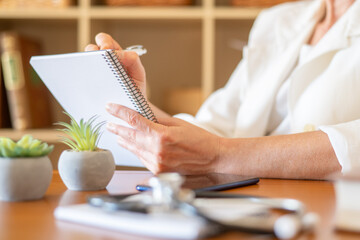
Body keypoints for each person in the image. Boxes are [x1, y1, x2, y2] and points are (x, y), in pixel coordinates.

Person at [85, 0, 360, 179]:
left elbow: (217, 148)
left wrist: (221, 154)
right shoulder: (277, 21)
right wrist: (136, 102)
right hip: (252, 209)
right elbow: (218, 127)